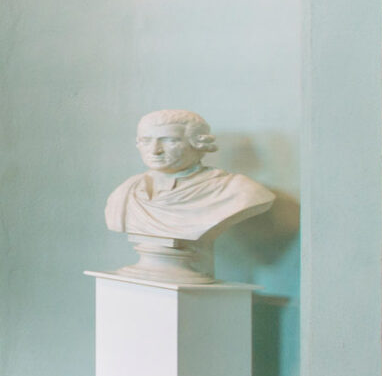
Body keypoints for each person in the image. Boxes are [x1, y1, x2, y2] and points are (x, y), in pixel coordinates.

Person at [103, 109, 272, 280]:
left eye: (169, 140)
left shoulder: (239, 190)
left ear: (198, 143)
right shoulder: (126, 191)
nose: (155, 150)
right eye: (146, 141)